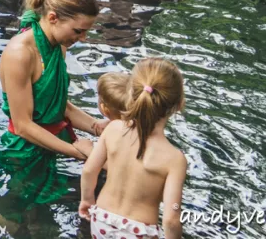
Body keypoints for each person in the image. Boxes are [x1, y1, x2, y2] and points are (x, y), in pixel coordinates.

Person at [0, 0, 106, 205]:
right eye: (78, 31)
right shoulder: (20, 54)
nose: (83, 38)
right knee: (23, 215)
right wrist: (77, 152)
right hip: (24, 153)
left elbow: (61, 106)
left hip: (49, 145)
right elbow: (23, 125)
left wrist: (97, 127)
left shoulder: (58, 45)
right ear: (53, 18)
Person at [80, 58, 187, 239]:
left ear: (131, 94)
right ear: (179, 105)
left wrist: (87, 199)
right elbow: (171, 218)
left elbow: (90, 170)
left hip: (102, 219)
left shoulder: (113, 129)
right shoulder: (174, 159)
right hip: (140, 231)